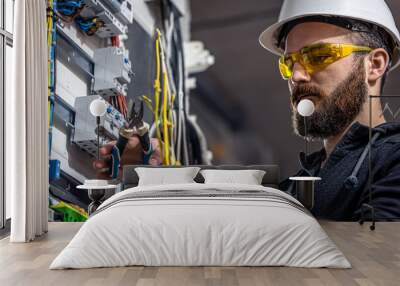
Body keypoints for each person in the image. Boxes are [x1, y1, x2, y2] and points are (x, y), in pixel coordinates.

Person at [259, 0, 400, 220]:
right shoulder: (291, 190)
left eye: (318, 56)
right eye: (289, 63)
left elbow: (379, 249)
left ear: (374, 65)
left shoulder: (392, 160)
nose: (296, 76)